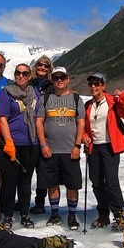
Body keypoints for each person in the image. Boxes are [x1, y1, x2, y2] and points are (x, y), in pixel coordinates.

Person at [82, 73, 124, 231]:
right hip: (94, 147)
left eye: (97, 84)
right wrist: (85, 136)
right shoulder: (88, 105)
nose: (93, 87)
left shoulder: (113, 101)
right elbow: (85, 127)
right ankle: (103, 215)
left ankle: (120, 215)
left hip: (110, 146)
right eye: (91, 84)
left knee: (111, 182)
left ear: (104, 86)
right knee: (97, 182)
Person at [36, 67, 86, 230]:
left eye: (62, 77)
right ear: (52, 79)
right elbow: (39, 122)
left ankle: (72, 215)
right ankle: (55, 213)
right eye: (56, 77)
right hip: (50, 149)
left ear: (68, 79)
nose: (59, 80)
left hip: (70, 150)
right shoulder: (45, 98)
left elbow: (81, 123)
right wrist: (43, 144)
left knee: (72, 185)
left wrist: (77, 145)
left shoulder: (76, 98)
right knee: (52, 183)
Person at [0, 64, 40, 229]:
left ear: (30, 76)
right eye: (18, 73)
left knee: (25, 182)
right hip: (11, 145)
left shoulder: (34, 93)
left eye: (25, 73)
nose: (21, 76)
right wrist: (9, 142)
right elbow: (2, 119)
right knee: (9, 182)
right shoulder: (7, 93)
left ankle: (24, 214)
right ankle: (7, 215)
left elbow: (39, 117)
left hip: (31, 144)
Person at [29, 55, 55, 215]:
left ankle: (40, 202)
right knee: (26, 169)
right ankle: (24, 200)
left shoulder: (52, 86)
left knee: (42, 170)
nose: (43, 67)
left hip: (45, 131)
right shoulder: (28, 83)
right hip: (28, 130)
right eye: (40, 64)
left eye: (46, 65)